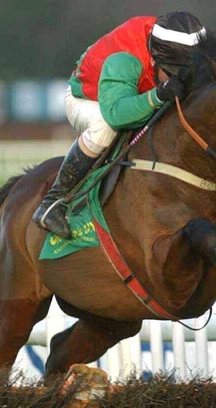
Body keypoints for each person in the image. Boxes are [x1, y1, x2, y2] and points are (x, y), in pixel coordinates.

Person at [32, 11, 206, 239]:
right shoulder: (124, 58)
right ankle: (53, 201)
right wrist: (158, 95)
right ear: (155, 60)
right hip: (90, 99)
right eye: (173, 74)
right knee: (105, 128)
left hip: (131, 92)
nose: (179, 79)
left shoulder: (179, 39)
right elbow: (117, 114)